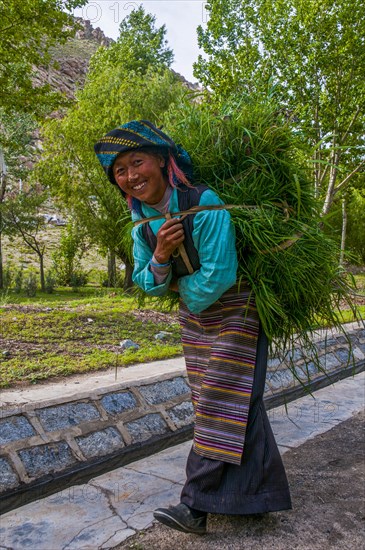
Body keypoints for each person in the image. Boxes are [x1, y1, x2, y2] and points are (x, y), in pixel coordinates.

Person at [94, 120, 292, 535]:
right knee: (231, 402)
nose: (131, 176)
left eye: (137, 162)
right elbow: (147, 281)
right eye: (121, 172)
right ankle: (256, 498)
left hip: (236, 310)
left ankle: (195, 506)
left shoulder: (203, 203)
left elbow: (220, 272)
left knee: (220, 399)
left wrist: (179, 289)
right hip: (195, 320)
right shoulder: (141, 223)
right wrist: (162, 253)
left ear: (164, 162)